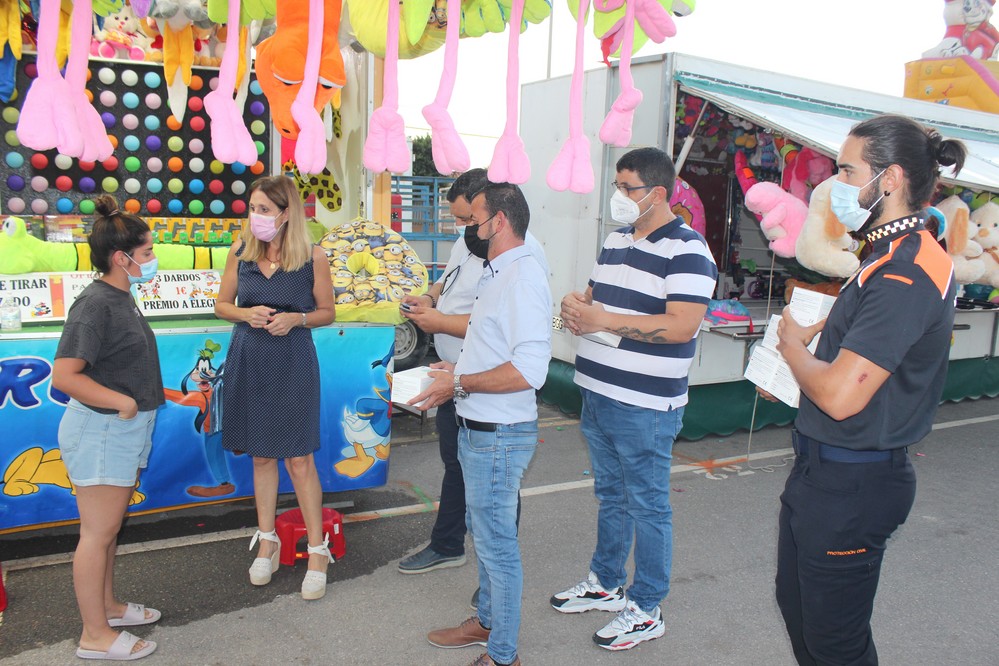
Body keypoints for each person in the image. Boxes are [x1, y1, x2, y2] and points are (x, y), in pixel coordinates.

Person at [768, 114, 966, 665]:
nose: (836, 186)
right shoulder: (884, 253)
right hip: (826, 472)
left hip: (852, 483)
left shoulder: (907, 267)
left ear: (891, 178)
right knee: (801, 611)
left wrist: (793, 353)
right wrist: (814, 346)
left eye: (848, 171)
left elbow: (839, 395)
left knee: (836, 643)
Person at [552, 147, 717, 651]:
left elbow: (681, 325)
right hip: (597, 389)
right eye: (617, 186)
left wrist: (601, 320)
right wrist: (576, 304)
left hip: (644, 402)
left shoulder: (688, 250)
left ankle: (646, 607)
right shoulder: (616, 238)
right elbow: (596, 297)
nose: (618, 197)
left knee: (648, 505)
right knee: (612, 495)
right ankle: (606, 583)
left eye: (628, 188)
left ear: (658, 193)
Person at [412, 182, 552, 666]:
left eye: (473, 220)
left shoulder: (523, 278)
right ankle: (488, 622)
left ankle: (503, 654)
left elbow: (531, 371)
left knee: (497, 550)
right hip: (482, 429)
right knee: (489, 539)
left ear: (501, 221)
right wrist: (458, 371)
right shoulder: (497, 271)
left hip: (499, 435)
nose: (467, 229)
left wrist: (461, 383)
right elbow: (493, 343)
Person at [52, 195, 164, 661]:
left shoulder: (120, 296)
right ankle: (94, 634)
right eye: (147, 252)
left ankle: (108, 607)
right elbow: (65, 375)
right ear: (122, 259)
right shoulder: (94, 305)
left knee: (109, 528)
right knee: (96, 533)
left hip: (121, 430)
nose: (152, 259)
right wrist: (122, 403)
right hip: (101, 431)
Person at [215, 175, 336, 600]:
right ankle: (267, 539)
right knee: (262, 456)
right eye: (253, 207)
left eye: (264, 209)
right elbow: (221, 304)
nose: (256, 216)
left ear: (287, 214)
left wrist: (296, 318)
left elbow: (327, 312)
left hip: (292, 360)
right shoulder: (240, 251)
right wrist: (244, 315)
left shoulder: (313, 257)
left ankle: (317, 550)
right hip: (249, 357)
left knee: (299, 459)